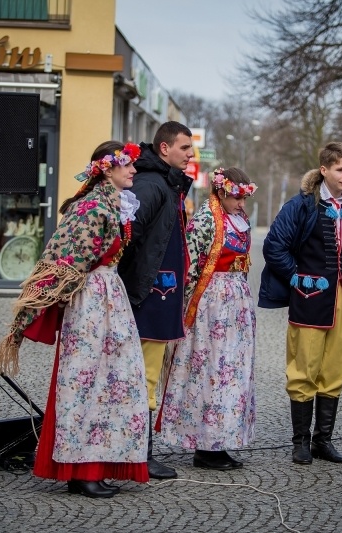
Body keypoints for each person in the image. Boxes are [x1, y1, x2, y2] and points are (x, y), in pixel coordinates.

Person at [0, 141, 149, 499]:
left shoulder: (113, 204)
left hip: (109, 299)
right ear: (106, 168)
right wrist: (33, 312)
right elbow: (66, 259)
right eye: (126, 164)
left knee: (114, 380)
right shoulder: (91, 207)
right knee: (85, 381)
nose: (133, 170)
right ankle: (80, 470)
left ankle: (98, 463)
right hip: (90, 302)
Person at [259, 141, 342, 465]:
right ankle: (300, 442)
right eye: (340, 169)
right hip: (309, 299)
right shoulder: (301, 205)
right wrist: (296, 277)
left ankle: (323, 441)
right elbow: (274, 246)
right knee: (303, 369)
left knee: (336, 369)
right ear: (324, 170)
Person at [159, 167, 258, 470]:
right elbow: (188, 265)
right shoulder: (205, 220)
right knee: (211, 371)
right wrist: (182, 310)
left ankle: (222, 440)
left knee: (233, 372)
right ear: (221, 192)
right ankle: (205, 445)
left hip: (236, 304)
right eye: (237, 198)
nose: (241, 204)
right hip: (211, 306)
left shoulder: (238, 219)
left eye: (244, 198)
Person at [118, 121, 194, 479]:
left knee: (148, 373)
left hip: (162, 294)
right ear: (165, 148)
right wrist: (135, 285)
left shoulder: (167, 183)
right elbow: (126, 236)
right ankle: (140, 454)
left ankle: (140, 452)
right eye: (184, 147)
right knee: (143, 375)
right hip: (148, 296)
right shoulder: (151, 184)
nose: (191, 154)